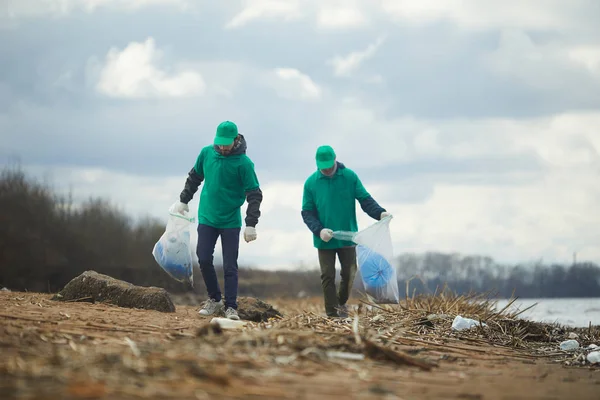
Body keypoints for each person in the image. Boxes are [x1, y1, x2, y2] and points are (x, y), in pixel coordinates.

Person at [173, 120, 262, 321]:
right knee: (203, 257)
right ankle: (214, 300)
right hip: (207, 216)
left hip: (230, 219)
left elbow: (254, 194)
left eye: (226, 144)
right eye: (219, 143)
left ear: (236, 140)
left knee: (230, 265)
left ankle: (231, 307)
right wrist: (183, 200)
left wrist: (251, 223)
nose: (222, 147)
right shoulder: (206, 153)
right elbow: (195, 177)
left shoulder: (244, 164)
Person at [301, 145, 391, 318]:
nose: (326, 169)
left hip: (348, 236)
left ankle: (341, 302)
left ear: (335, 159)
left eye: (329, 164)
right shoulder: (311, 183)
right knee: (327, 275)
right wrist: (319, 230)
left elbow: (365, 200)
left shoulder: (349, 177)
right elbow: (307, 212)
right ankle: (333, 313)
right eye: (323, 166)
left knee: (349, 272)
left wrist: (380, 213)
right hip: (324, 238)